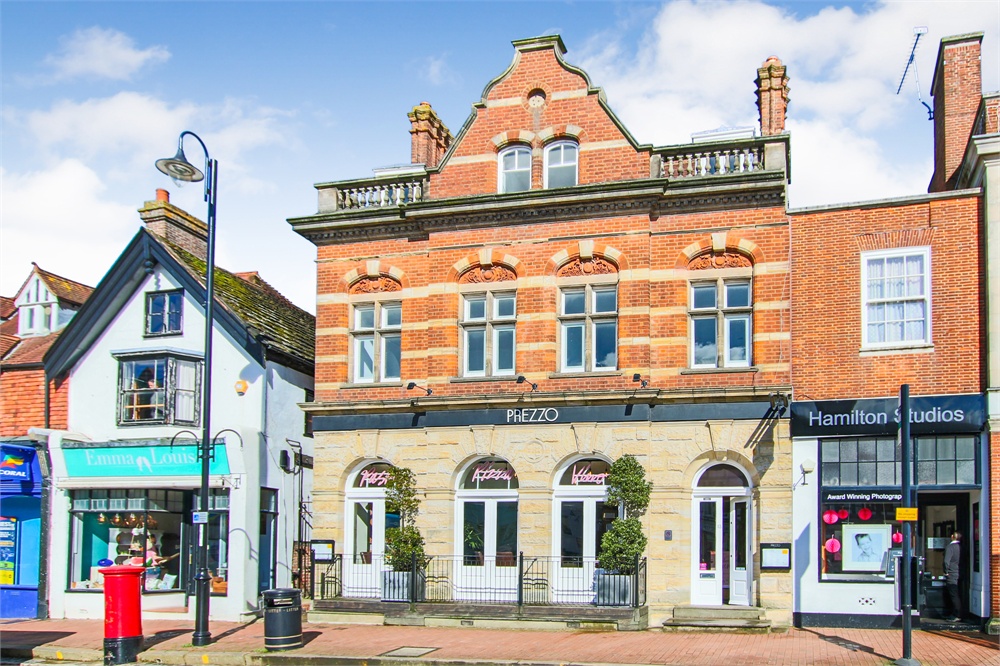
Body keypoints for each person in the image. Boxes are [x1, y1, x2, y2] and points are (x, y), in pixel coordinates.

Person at [943, 531, 962, 621]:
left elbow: (946, 561)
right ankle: (957, 613)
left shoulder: (950, 547)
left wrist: (946, 571)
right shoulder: (962, 547)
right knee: (957, 594)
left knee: (953, 594)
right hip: (960, 573)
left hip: (952, 573)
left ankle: (956, 614)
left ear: (952, 536)